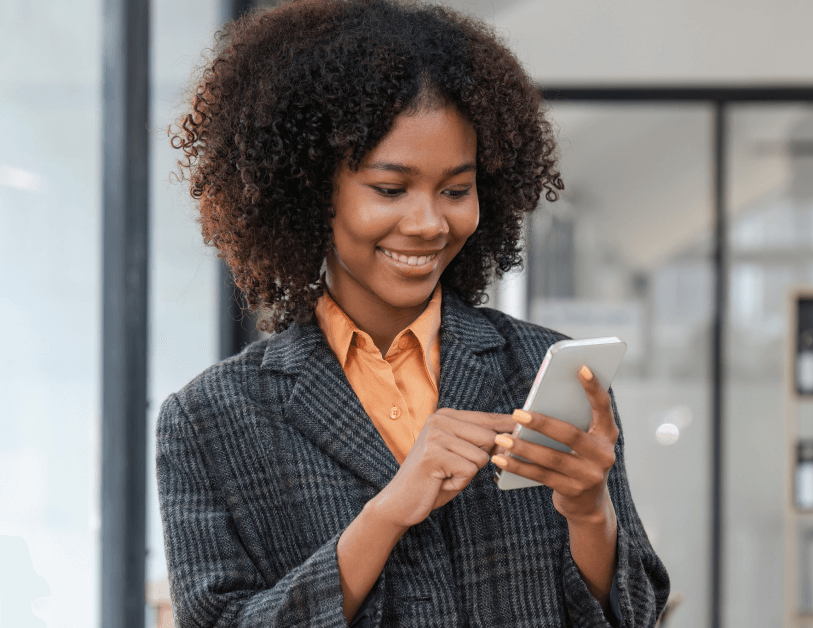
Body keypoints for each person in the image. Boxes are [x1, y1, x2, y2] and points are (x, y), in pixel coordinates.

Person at [157, 1, 670, 626]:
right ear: (313, 189)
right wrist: (386, 514)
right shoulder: (211, 419)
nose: (429, 223)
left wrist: (592, 511)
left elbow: (635, 615)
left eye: (456, 190)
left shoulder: (545, 374)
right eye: (390, 189)